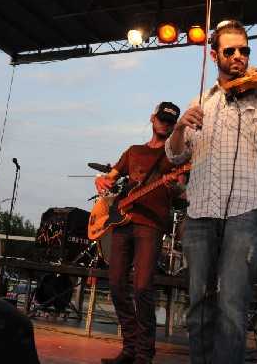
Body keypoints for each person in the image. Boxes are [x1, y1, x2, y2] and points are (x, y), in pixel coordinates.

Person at [165, 20, 257, 364]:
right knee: (198, 301)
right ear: (215, 55)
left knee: (232, 302)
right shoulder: (201, 101)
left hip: (247, 210)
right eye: (230, 50)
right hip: (200, 212)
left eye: (244, 50)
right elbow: (174, 154)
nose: (239, 56)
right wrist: (181, 126)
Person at [95, 102, 186, 364]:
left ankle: (144, 353)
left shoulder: (176, 157)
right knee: (115, 284)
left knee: (143, 286)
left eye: (170, 122)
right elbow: (110, 177)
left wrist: (172, 187)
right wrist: (102, 181)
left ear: (174, 126)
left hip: (151, 226)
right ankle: (130, 348)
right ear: (153, 119)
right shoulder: (133, 152)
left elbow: (181, 190)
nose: (165, 124)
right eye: (162, 119)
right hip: (122, 224)